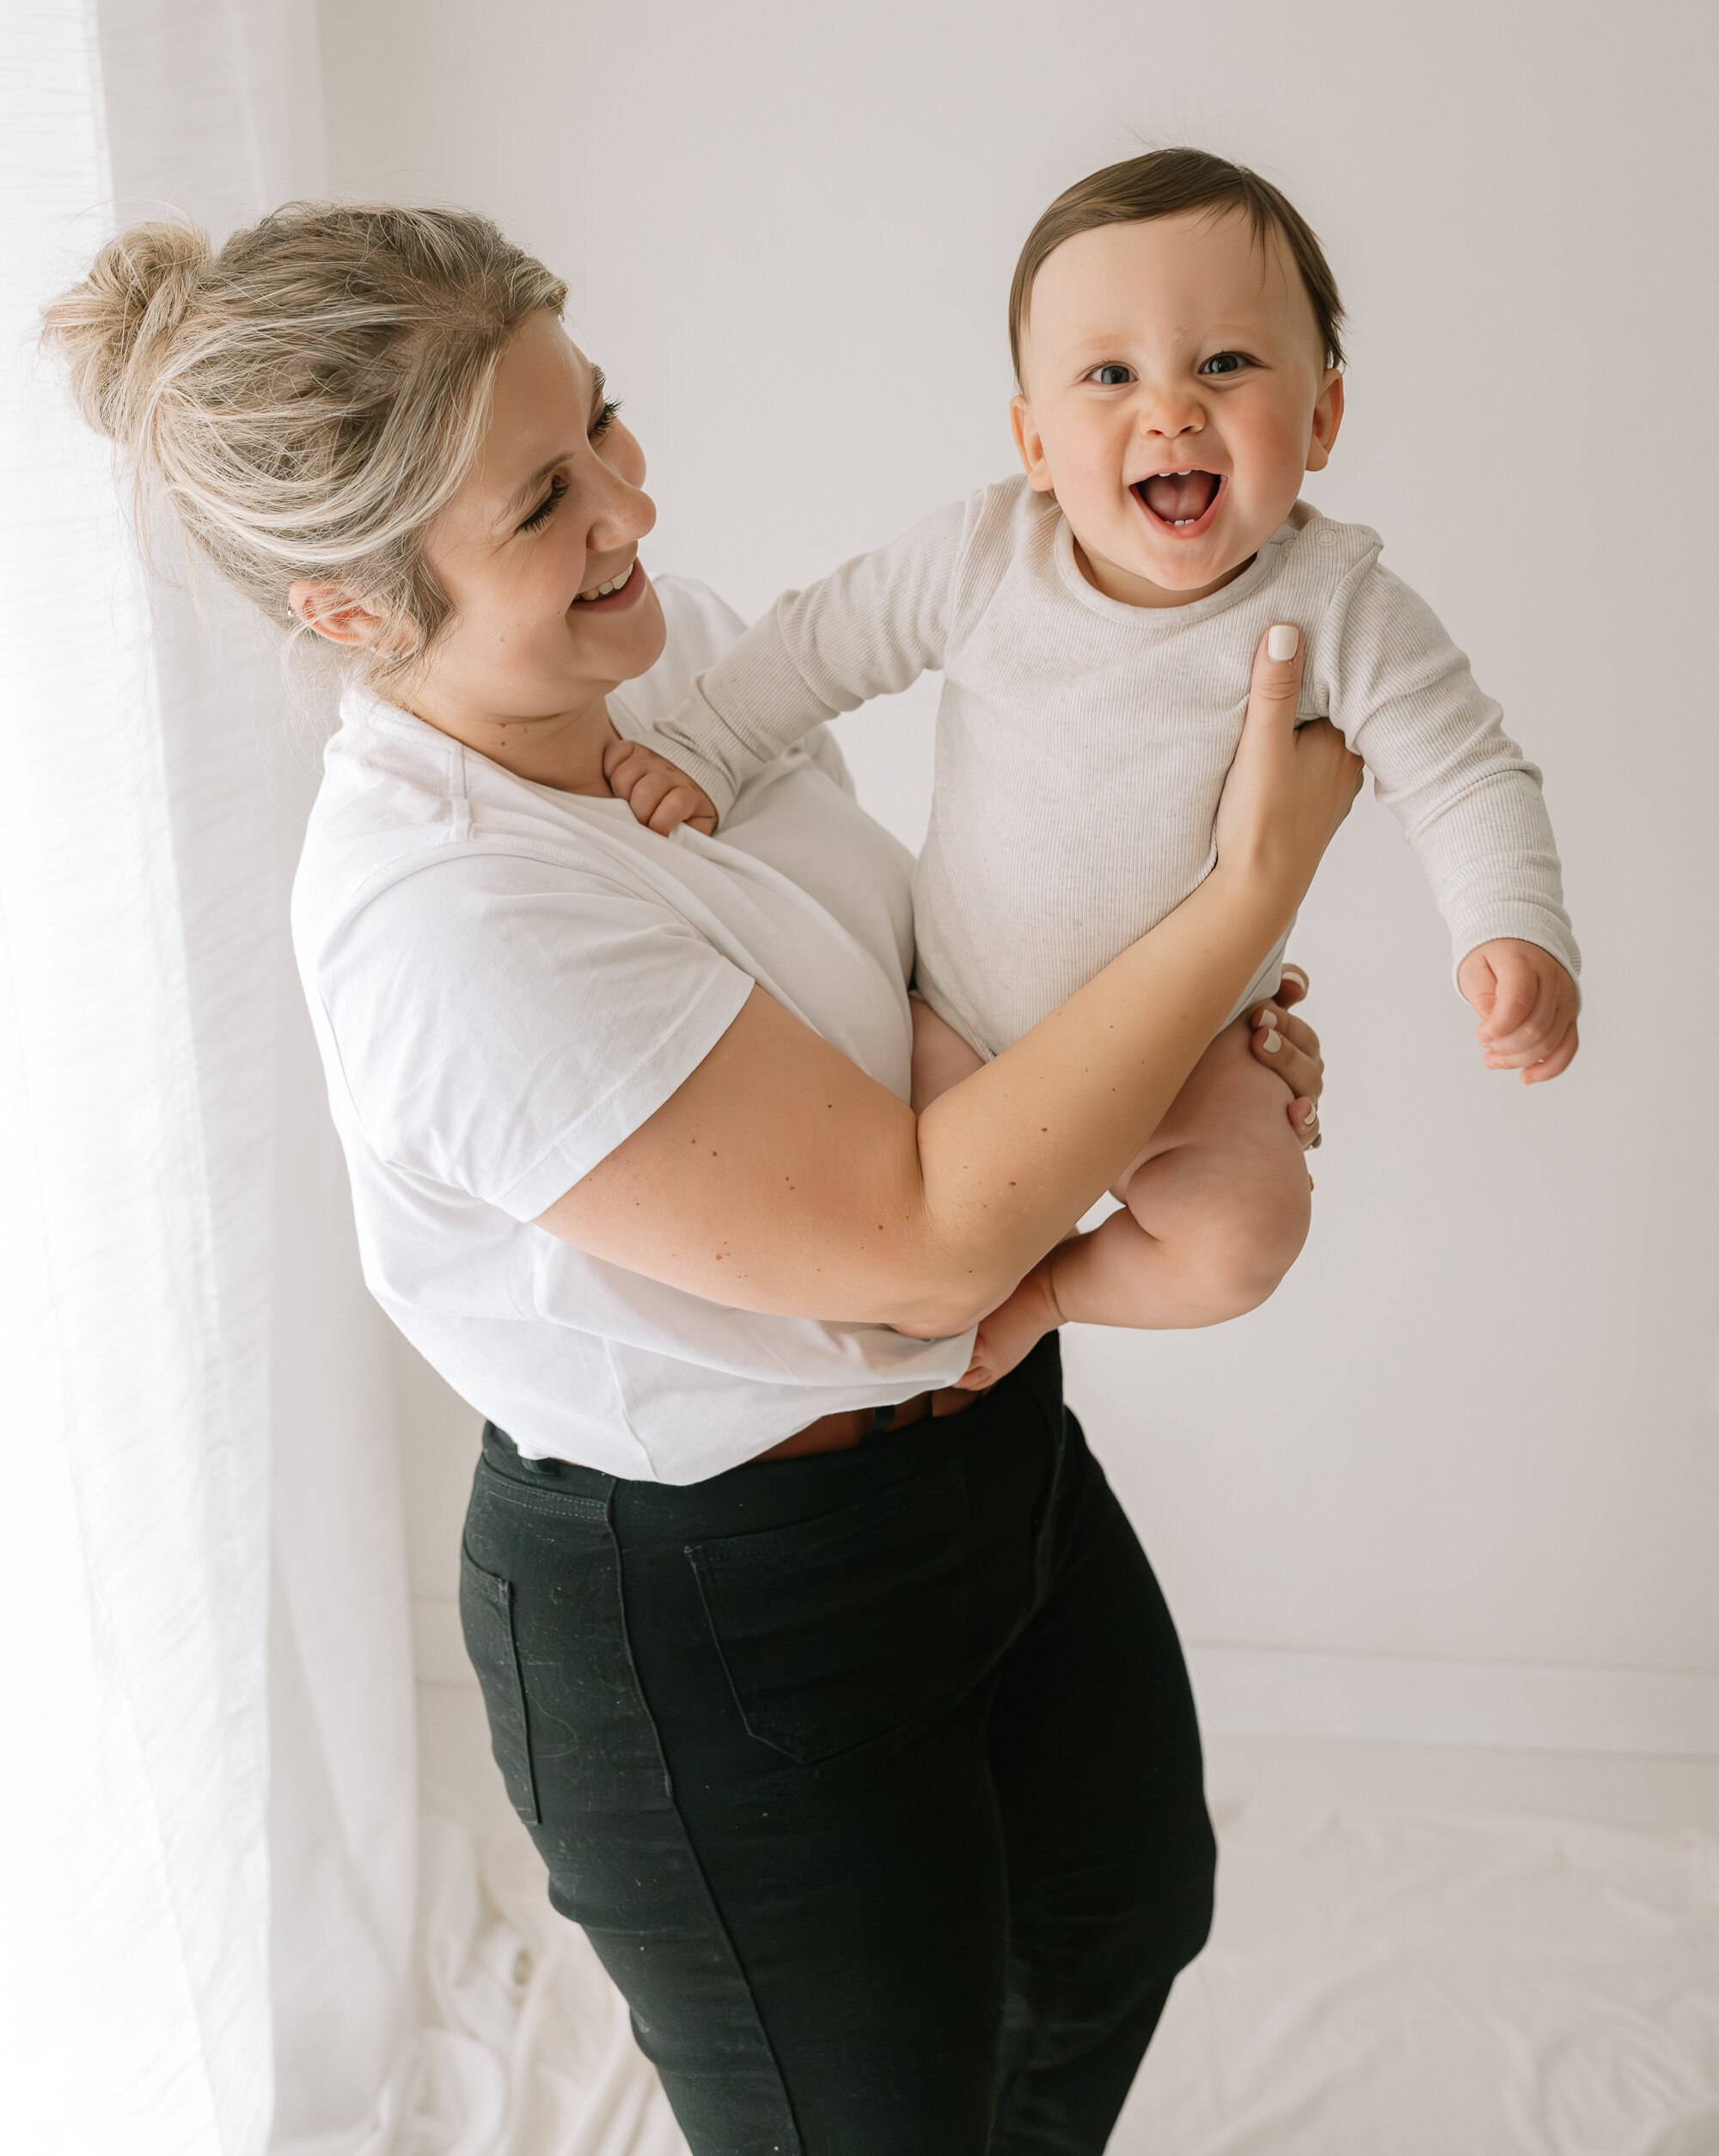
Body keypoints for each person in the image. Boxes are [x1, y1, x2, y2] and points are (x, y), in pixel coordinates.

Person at [45, 201, 1359, 2156]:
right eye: (542, 501)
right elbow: (921, 1246)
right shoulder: (448, 922)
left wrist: (1185, 1035)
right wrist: (1249, 886)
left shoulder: (665, 670)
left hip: (987, 1445)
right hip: (725, 1608)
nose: (629, 512)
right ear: (350, 612)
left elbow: (931, 981)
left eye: (606, 427)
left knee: (1116, 1919)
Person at [621, 150, 1581, 1384]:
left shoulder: (1340, 603)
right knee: (895, 1262)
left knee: (1245, 1237)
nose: (1171, 409)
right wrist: (705, 746)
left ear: (1325, 416)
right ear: (1033, 439)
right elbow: (821, 643)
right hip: (963, 1022)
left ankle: (1054, 1292)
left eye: (1225, 363)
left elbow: (1464, 770)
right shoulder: (985, 557)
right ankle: (964, 1308)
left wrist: (1511, 925)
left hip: (1197, 1056)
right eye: (1110, 373)